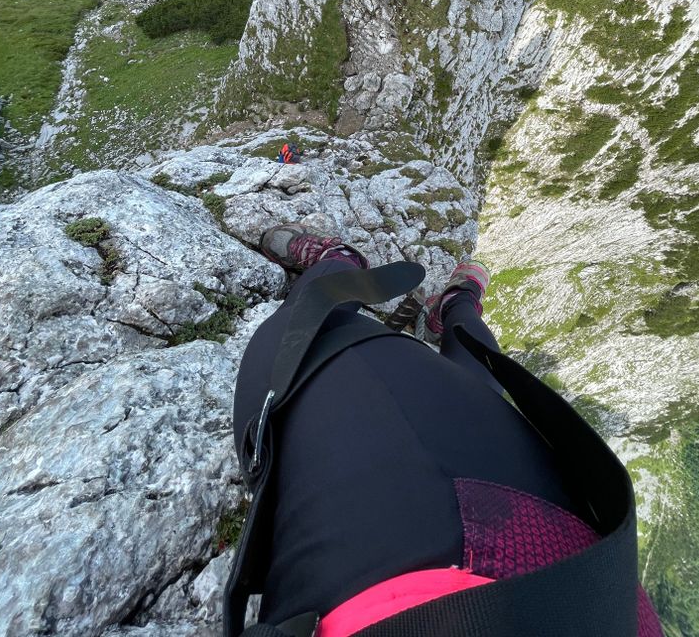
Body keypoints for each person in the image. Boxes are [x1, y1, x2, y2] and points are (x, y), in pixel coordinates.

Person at [224, 223, 664, 637]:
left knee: (469, 388)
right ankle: (410, 290)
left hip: (566, 554)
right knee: (305, 335)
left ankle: (443, 298)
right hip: (522, 550)